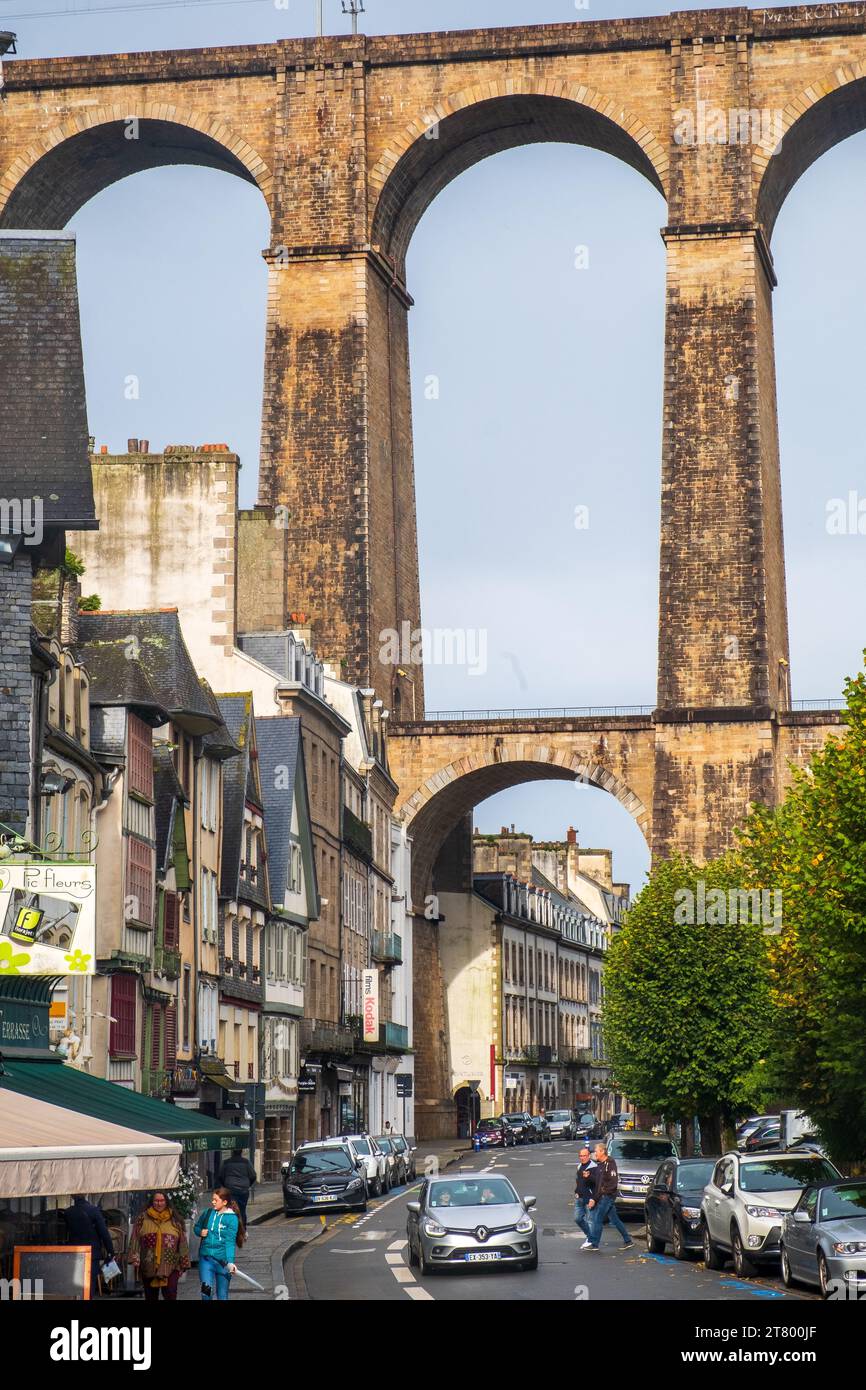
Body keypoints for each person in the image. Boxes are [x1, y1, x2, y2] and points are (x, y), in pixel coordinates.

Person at [128, 1192, 190, 1301]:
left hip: (171, 1264)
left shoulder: (174, 1219)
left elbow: (182, 1241)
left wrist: (184, 1262)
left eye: (162, 1201)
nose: (159, 1203)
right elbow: (135, 1238)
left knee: (171, 1294)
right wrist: (134, 1257)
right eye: (156, 1201)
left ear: (166, 1202)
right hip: (149, 1263)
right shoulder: (143, 1218)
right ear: (152, 1202)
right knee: (150, 1296)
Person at [194, 1188, 245, 1302]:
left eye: (215, 1200)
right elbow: (196, 1227)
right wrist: (200, 1231)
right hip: (206, 1260)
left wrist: (231, 1262)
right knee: (205, 1293)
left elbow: (230, 1242)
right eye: (212, 1199)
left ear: (224, 1202)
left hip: (223, 1263)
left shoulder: (232, 1219)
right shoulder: (208, 1213)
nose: (212, 1202)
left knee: (222, 1296)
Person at [584, 1142, 635, 1251]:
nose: (595, 1154)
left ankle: (594, 1243)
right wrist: (589, 1177)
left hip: (607, 1196)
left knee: (598, 1218)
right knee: (615, 1219)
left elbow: (612, 1183)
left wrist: (598, 1197)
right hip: (603, 1196)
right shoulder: (600, 1165)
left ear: (602, 1151)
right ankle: (628, 1240)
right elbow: (598, 1182)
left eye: (596, 1151)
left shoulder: (610, 1164)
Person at [63, 1195, 115, 1296]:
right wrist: (110, 1252)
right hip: (91, 1255)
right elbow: (104, 1233)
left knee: (75, 1287)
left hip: (74, 1254)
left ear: (72, 1196)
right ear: (85, 1194)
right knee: (89, 1287)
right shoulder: (94, 1211)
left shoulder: (68, 1213)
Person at [216, 1148, 257, 1226]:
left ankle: (231, 1228)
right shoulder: (246, 1162)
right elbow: (253, 1176)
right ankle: (243, 1229)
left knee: (231, 1210)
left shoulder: (226, 1162)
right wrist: (248, 1185)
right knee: (242, 1210)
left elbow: (220, 1176)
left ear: (232, 1152)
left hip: (230, 1190)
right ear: (241, 1152)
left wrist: (225, 1186)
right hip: (243, 1190)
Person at [573, 1145, 597, 1242]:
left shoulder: (594, 1167)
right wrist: (576, 1191)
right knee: (577, 1219)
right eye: (580, 1156)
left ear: (589, 1156)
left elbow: (597, 1183)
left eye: (584, 1155)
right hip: (579, 1198)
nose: (582, 1158)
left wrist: (589, 1177)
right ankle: (589, 1236)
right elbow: (578, 1180)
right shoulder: (579, 1166)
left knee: (591, 1221)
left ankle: (591, 1241)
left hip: (589, 1198)